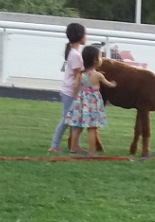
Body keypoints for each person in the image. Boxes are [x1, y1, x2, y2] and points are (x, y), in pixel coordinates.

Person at [65, 45, 116, 155]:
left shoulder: (81, 74)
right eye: (100, 57)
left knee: (78, 127)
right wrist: (113, 84)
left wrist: (76, 98)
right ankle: (92, 151)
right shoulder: (98, 75)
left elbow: (75, 86)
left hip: (81, 102)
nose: (101, 59)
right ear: (95, 60)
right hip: (92, 104)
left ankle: (73, 148)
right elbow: (107, 84)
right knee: (92, 128)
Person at [49, 22, 86, 153]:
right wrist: (77, 95)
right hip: (71, 92)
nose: (86, 37)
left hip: (70, 91)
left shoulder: (74, 52)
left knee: (75, 120)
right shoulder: (76, 55)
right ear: (80, 36)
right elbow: (77, 78)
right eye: (85, 34)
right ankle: (54, 146)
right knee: (66, 120)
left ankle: (75, 146)